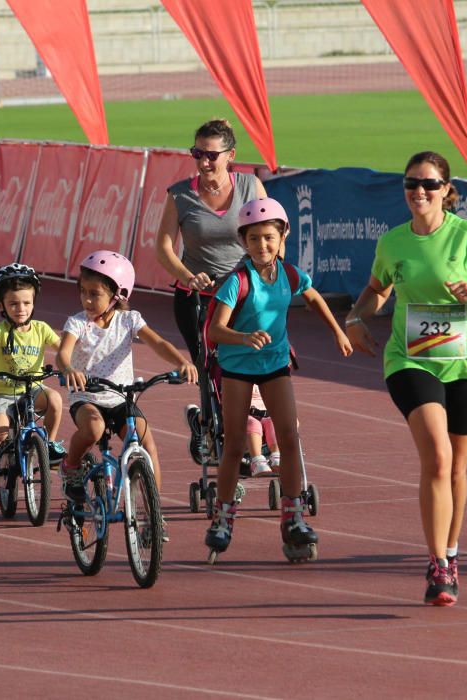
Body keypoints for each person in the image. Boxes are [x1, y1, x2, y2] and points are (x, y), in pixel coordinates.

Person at [345, 151, 467, 606]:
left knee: (458, 469)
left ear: (447, 190)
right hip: (411, 359)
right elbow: (377, 290)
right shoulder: (393, 242)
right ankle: (437, 564)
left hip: (465, 363)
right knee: (439, 459)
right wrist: (355, 317)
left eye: (429, 184)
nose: (418, 192)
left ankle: (452, 551)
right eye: (411, 183)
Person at [204, 198, 352, 562]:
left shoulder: (288, 274)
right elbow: (215, 330)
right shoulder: (237, 281)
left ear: (283, 235)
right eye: (254, 239)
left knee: (288, 437)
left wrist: (338, 331)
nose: (262, 246)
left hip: (275, 365)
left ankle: (293, 516)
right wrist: (244, 337)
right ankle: (223, 518)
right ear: (244, 241)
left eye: (269, 237)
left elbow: (314, 297)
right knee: (236, 443)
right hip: (238, 368)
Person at [57, 251, 197, 540]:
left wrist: (181, 362)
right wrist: (69, 368)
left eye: (94, 294)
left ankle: (152, 514)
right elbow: (63, 353)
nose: (86, 300)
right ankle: (70, 466)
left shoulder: (130, 320)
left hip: (121, 398)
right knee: (93, 429)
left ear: (118, 295)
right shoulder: (78, 323)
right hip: (88, 398)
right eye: (82, 292)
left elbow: (157, 342)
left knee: (146, 441)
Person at [154, 118, 268, 461]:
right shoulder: (180, 194)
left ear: (230, 155)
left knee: (251, 360)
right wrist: (188, 276)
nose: (204, 162)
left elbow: (273, 233)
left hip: (242, 296)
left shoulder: (251, 187)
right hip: (196, 298)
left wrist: (265, 275)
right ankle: (208, 425)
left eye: (211, 155)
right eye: (197, 153)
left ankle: (253, 429)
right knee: (207, 365)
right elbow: (163, 246)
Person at [0, 263, 67, 484]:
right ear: (0, 305)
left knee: (55, 398)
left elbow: (62, 348)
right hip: (4, 392)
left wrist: (70, 365)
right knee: (0, 433)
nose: (20, 309)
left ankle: (49, 446)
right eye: (13, 304)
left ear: (34, 303)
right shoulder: (0, 330)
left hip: (33, 388)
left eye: (26, 303)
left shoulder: (42, 328)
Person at [245, 385, 278, 477]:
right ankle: (257, 460)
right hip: (243, 413)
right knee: (253, 423)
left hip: (267, 411)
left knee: (275, 422)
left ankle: (276, 456)